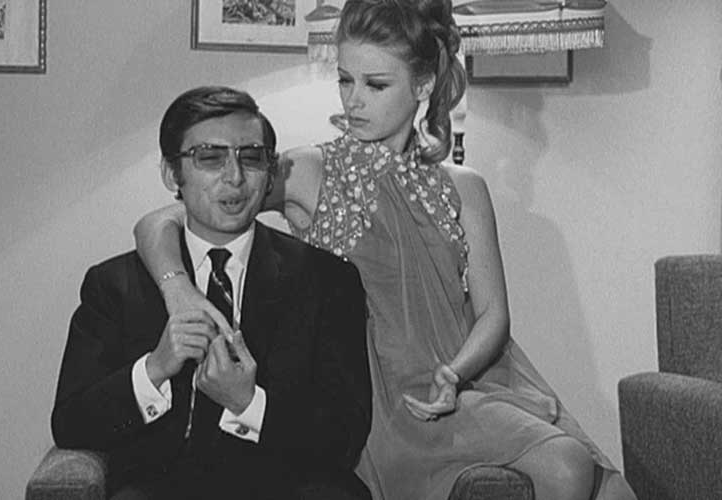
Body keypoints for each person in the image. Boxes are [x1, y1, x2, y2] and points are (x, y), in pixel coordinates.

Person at [134, 1, 638, 499]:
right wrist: (178, 291)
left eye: (375, 85)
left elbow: (493, 315)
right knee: (566, 466)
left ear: (423, 85)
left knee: (614, 492)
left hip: (470, 375)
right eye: (345, 80)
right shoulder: (308, 171)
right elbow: (159, 221)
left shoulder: (465, 186)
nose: (353, 100)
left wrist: (455, 374)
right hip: (381, 398)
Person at [51, 86, 372, 500]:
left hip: (288, 485)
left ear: (270, 172)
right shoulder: (114, 286)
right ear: (172, 174)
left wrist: (248, 403)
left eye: (251, 157)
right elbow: (71, 424)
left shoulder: (327, 280)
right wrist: (153, 369)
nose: (234, 177)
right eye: (210, 158)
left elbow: (344, 435)